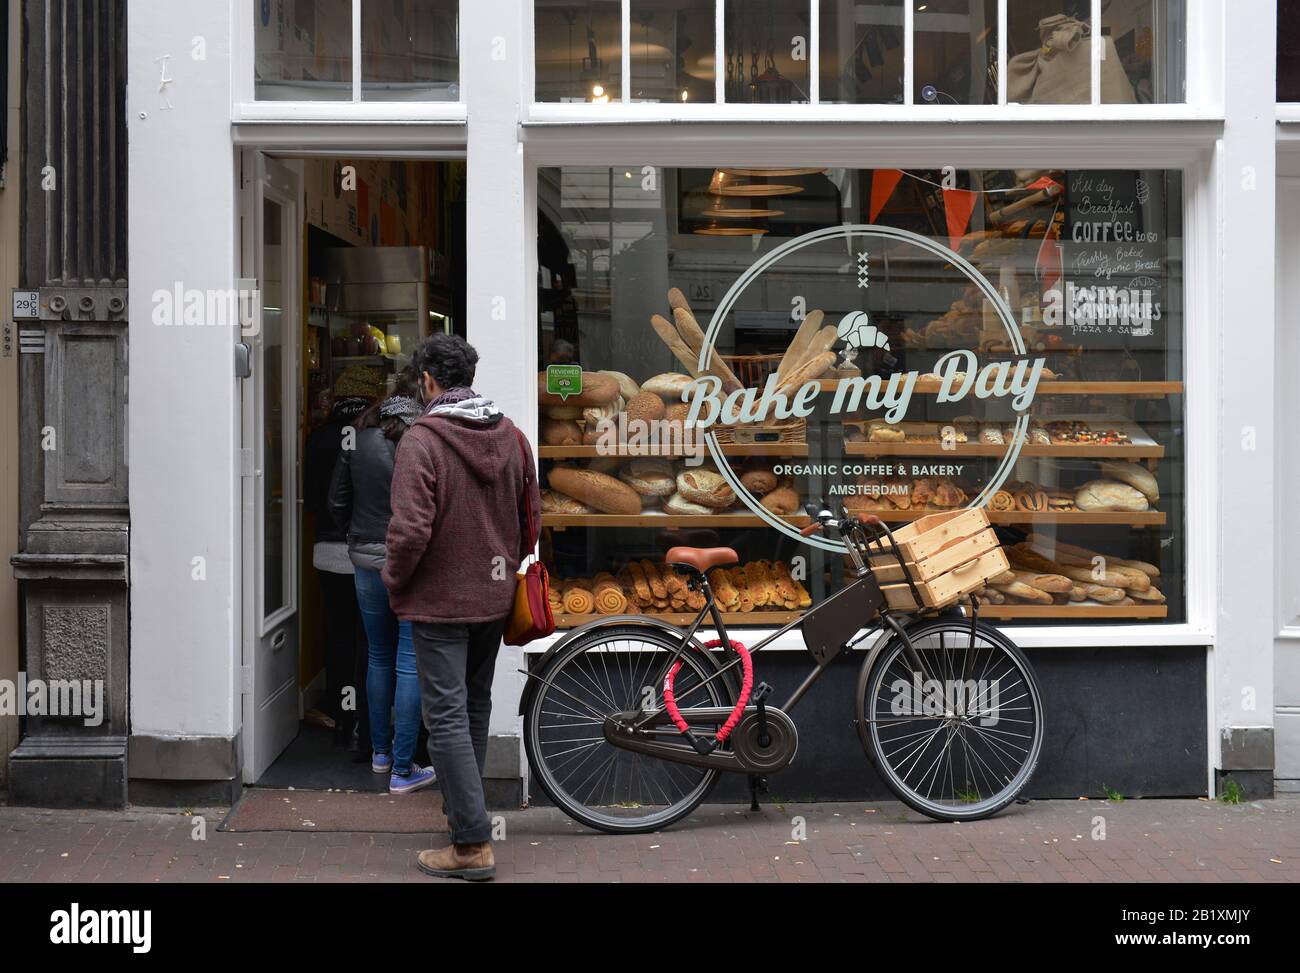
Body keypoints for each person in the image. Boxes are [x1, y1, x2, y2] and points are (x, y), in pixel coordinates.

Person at [384, 334, 540, 882]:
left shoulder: (421, 441)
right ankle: (463, 817)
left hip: (440, 601)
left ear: (428, 381)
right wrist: (503, 566)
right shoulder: (512, 435)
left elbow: (408, 532)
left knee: (444, 715)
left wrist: (395, 579)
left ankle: (471, 845)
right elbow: (531, 520)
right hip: (492, 600)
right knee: (472, 707)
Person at [328, 369, 437, 796]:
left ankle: (379, 755)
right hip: (414, 560)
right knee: (409, 657)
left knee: (377, 654)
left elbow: (336, 501)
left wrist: (355, 534)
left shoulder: (356, 436)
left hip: (366, 558)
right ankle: (404, 768)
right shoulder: (425, 437)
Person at [304, 392, 371, 750]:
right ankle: (363, 718)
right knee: (367, 639)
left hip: (325, 551)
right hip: (362, 552)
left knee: (337, 632)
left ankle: (342, 713)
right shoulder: (372, 439)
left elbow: (315, 500)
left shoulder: (318, 438)